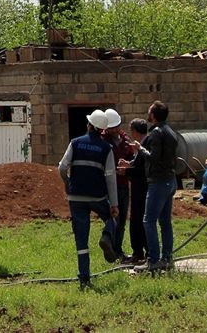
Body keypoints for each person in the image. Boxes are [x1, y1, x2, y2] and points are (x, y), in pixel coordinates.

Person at [58, 109, 119, 289]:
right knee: (111, 218)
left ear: (89, 125)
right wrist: (114, 204)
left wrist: (67, 182)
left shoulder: (75, 143)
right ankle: (107, 236)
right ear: (102, 130)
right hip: (97, 196)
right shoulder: (106, 148)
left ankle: (84, 279)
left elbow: (62, 167)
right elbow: (110, 177)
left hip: (76, 196)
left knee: (81, 239)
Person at [131, 100, 178, 273]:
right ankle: (167, 258)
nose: (147, 114)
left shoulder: (157, 133)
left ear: (154, 115)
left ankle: (153, 260)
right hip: (170, 180)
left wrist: (139, 149)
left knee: (148, 221)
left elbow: (154, 157)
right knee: (165, 222)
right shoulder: (171, 131)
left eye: (150, 111)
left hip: (158, 182)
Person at [102, 108, 136, 258]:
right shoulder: (102, 141)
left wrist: (127, 164)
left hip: (123, 184)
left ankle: (118, 250)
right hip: (109, 186)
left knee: (122, 220)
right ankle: (110, 246)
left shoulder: (125, 140)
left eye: (117, 126)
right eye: (112, 128)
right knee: (113, 217)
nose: (115, 130)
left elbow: (132, 157)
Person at [118, 118, 149, 264]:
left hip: (142, 189)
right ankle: (139, 251)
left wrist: (127, 173)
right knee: (137, 220)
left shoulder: (145, 146)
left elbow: (143, 170)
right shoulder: (141, 146)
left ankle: (143, 252)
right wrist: (128, 164)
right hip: (139, 188)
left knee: (139, 220)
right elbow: (138, 163)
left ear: (135, 131)